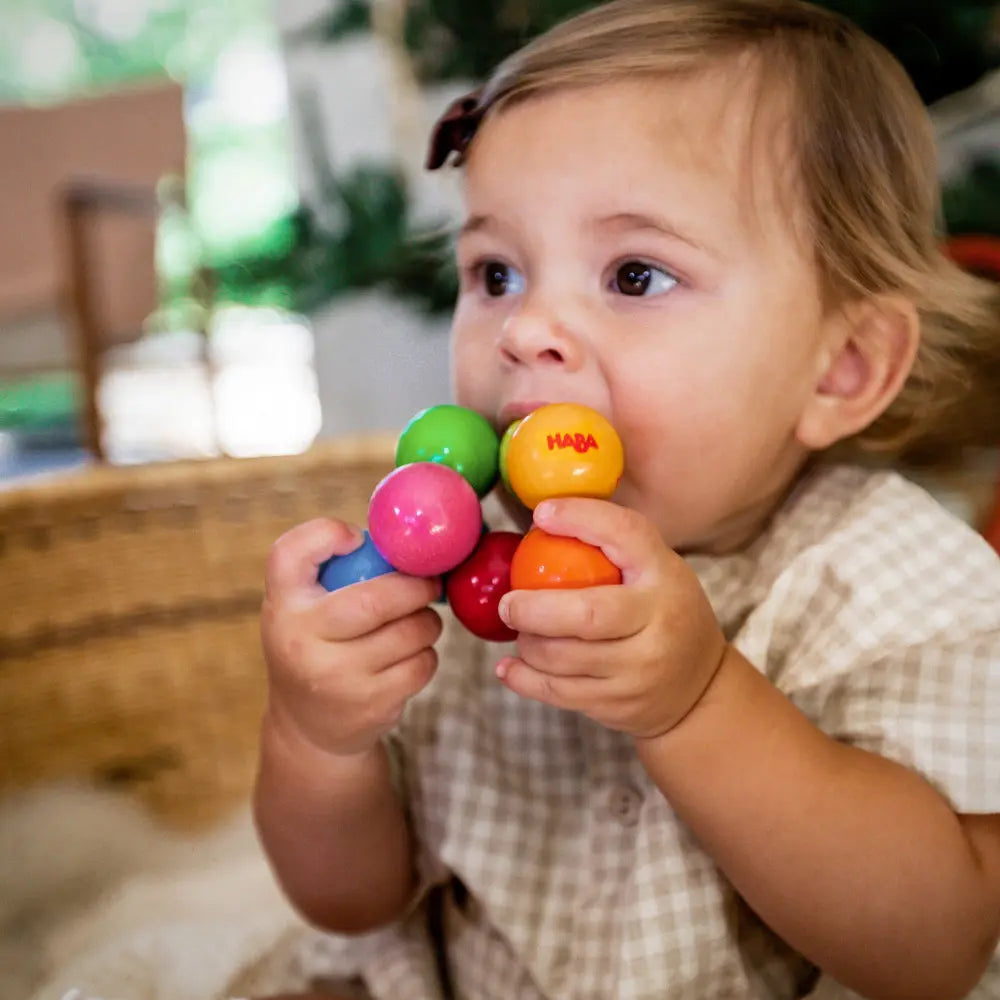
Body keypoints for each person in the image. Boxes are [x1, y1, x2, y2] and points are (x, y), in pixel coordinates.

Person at [253, 1, 1000, 997]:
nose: (526, 329)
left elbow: (932, 951)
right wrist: (316, 735)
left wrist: (697, 705)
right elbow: (355, 901)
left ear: (842, 368)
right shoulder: (452, 570)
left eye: (635, 273)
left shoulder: (893, 581)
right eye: (496, 271)